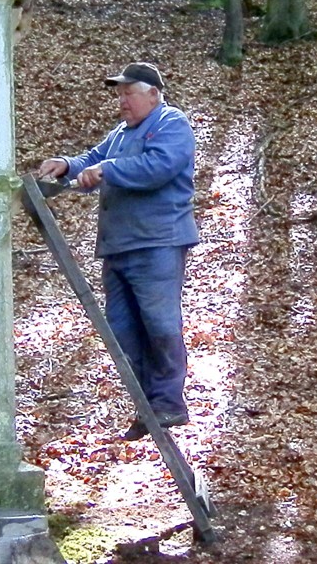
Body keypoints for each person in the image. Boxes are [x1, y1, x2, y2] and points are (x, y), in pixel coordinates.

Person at [39, 62, 198, 441]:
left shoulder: (171, 124)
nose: (122, 101)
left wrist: (108, 170)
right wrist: (66, 165)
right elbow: (92, 159)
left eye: (129, 92)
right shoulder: (121, 134)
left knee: (160, 324)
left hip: (158, 241)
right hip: (119, 246)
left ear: (154, 95)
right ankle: (147, 405)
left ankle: (169, 402)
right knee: (124, 331)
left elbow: (157, 167)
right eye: (119, 93)